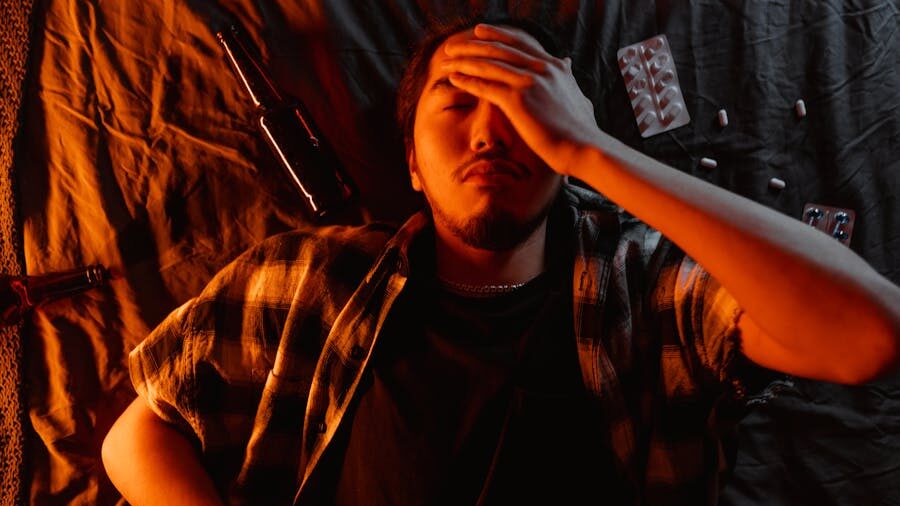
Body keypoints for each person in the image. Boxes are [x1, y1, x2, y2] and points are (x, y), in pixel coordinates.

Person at [101, 16, 900, 506]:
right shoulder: (312, 277)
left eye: (526, 107)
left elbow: (869, 334)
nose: (490, 132)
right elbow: (136, 437)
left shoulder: (644, 285)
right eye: (457, 105)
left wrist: (591, 149)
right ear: (410, 162)